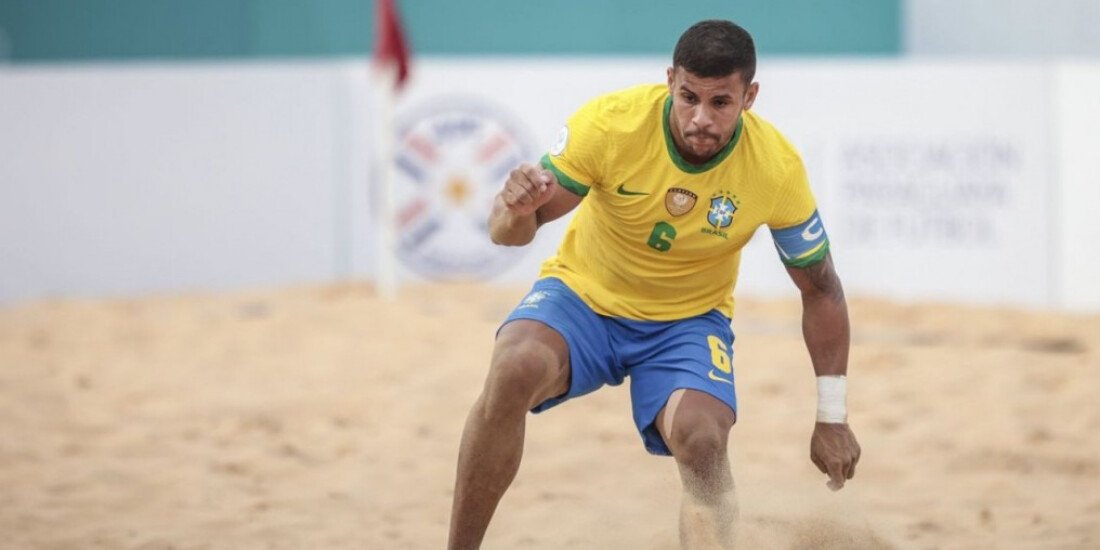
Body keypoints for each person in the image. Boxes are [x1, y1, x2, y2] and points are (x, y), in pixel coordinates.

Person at [447, 19, 861, 550]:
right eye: (688, 97)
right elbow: (508, 234)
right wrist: (511, 207)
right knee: (512, 367)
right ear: (670, 80)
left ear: (749, 97)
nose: (700, 119)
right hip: (584, 298)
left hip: (685, 322)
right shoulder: (612, 125)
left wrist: (832, 415)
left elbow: (822, 290)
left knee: (704, 441)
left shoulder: (775, 168)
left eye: (721, 103)